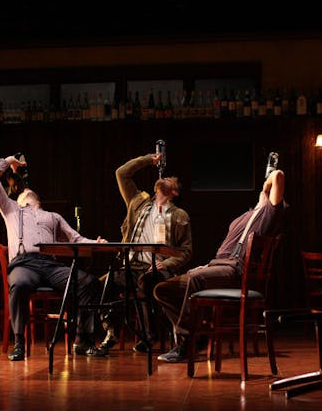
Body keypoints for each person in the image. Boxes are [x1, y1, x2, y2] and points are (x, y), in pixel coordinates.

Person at [153, 168, 286, 363]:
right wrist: (207, 266)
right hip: (220, 265)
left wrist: (266, 188)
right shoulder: (248, 215)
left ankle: (187, 341)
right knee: (162, 289)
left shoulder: (269, 213)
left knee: (194, 280)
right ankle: (198, 335)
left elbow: (279, 175)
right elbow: (227, 251)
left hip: (235, 270)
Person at [0, 155, 107, 361]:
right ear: (18, 199)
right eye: (22, 193)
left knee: (88, 282)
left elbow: (75, 238)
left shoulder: (52, 216)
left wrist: (96, 243)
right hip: (24, 264)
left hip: (50, 266)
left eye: (29, 193)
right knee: (20, 284)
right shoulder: (11, 209)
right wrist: (9, 161)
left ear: (38, 200)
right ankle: (19, 344)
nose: (25, 192)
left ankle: (83, 340)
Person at [94, 153, 193, 356]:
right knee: (99, 286)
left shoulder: (179, 215)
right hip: (131, 265)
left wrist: (169, 264)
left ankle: (149, 335)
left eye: (169, 180)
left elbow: (186, 250)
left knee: (145, 282)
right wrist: (148, 160)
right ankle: (110, 331)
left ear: (174, 192)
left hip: (158, 268)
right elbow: (121, 173)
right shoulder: (138, 202)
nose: (164, 178)